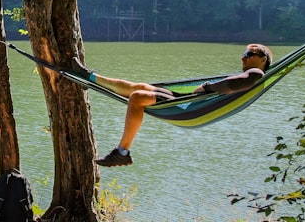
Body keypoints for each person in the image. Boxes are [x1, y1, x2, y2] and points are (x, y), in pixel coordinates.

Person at [71, 44, 274, 167]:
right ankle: (88, 76)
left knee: (138, 97)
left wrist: (207, 87)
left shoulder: (256, 74)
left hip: (192, 109)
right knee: (140, 87)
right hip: (190, 104)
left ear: (263, 59)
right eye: (244, 53)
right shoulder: (255, 75)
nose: (243, 57)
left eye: (249, 54)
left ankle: (122, 152)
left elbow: (235, 84)